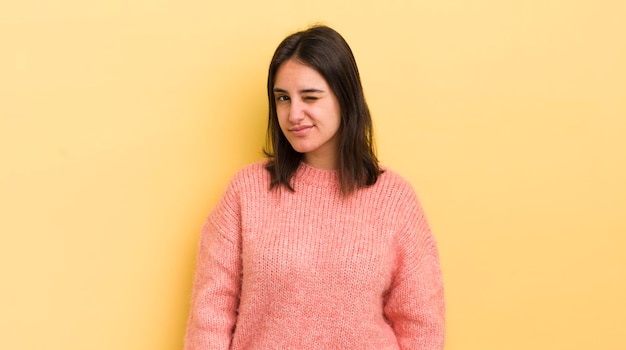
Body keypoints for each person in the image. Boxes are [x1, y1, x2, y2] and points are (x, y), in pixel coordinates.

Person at [185, 25, 445, 349]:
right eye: (282, 98)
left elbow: (422, 325)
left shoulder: (395, 200)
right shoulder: (247, 192)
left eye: (310, 97)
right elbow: (210, 316)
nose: (293, 114)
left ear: (344, 97)